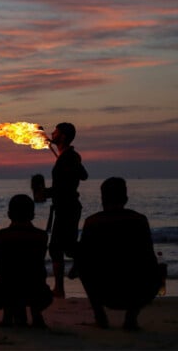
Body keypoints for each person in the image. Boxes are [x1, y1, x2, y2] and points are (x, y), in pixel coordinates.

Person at [76, 177, 161, 330]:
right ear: (126, 199)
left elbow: (83, 257)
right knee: (157, 268)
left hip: (104, 290)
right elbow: (149, 256)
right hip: (136, 292)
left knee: (82, 265)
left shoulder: (92, 222)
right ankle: (131, 318)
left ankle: (100, 316)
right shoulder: (139, 220)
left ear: (102, 199)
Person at [0, 194, 52, 327]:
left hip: (9, 289)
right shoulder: (41, 236)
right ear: (32, 215)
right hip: (37, 292)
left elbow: (0, 268)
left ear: (9, 214)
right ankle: (36, 314)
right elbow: (37, 266)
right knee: (34, 278)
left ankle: (8, 315)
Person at [43, 122, 88, 298]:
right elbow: (83, 175)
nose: (52, 134)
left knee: (57, 248)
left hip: (67, 207)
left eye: (55, 131)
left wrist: (45, 192)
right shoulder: (68, 156)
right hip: (65, 207)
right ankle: (80, 262)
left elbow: (66, 186)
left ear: (62, 136)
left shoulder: (69, 157)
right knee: (65, 248)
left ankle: (60, 289)